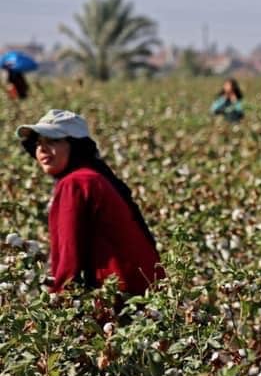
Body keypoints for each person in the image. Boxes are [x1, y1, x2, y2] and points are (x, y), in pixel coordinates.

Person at [16, 109, 164, 295]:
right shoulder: (93, 176)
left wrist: (58, 298)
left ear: (75, 146)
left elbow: (69, 254)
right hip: (144, 288)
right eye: (38, 143)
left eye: (53, 140)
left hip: (118, 293)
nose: (42, 149)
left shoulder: (76, 183)